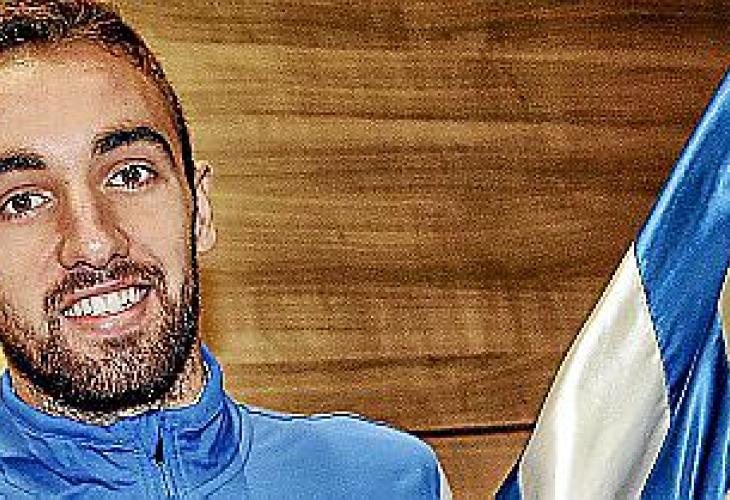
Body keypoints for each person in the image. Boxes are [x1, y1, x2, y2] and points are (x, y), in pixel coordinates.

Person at [0, 1, 452, 498]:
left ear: (200, 211)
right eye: (22, 202)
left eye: (130, 175)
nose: (94, 242)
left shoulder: (389, 479)